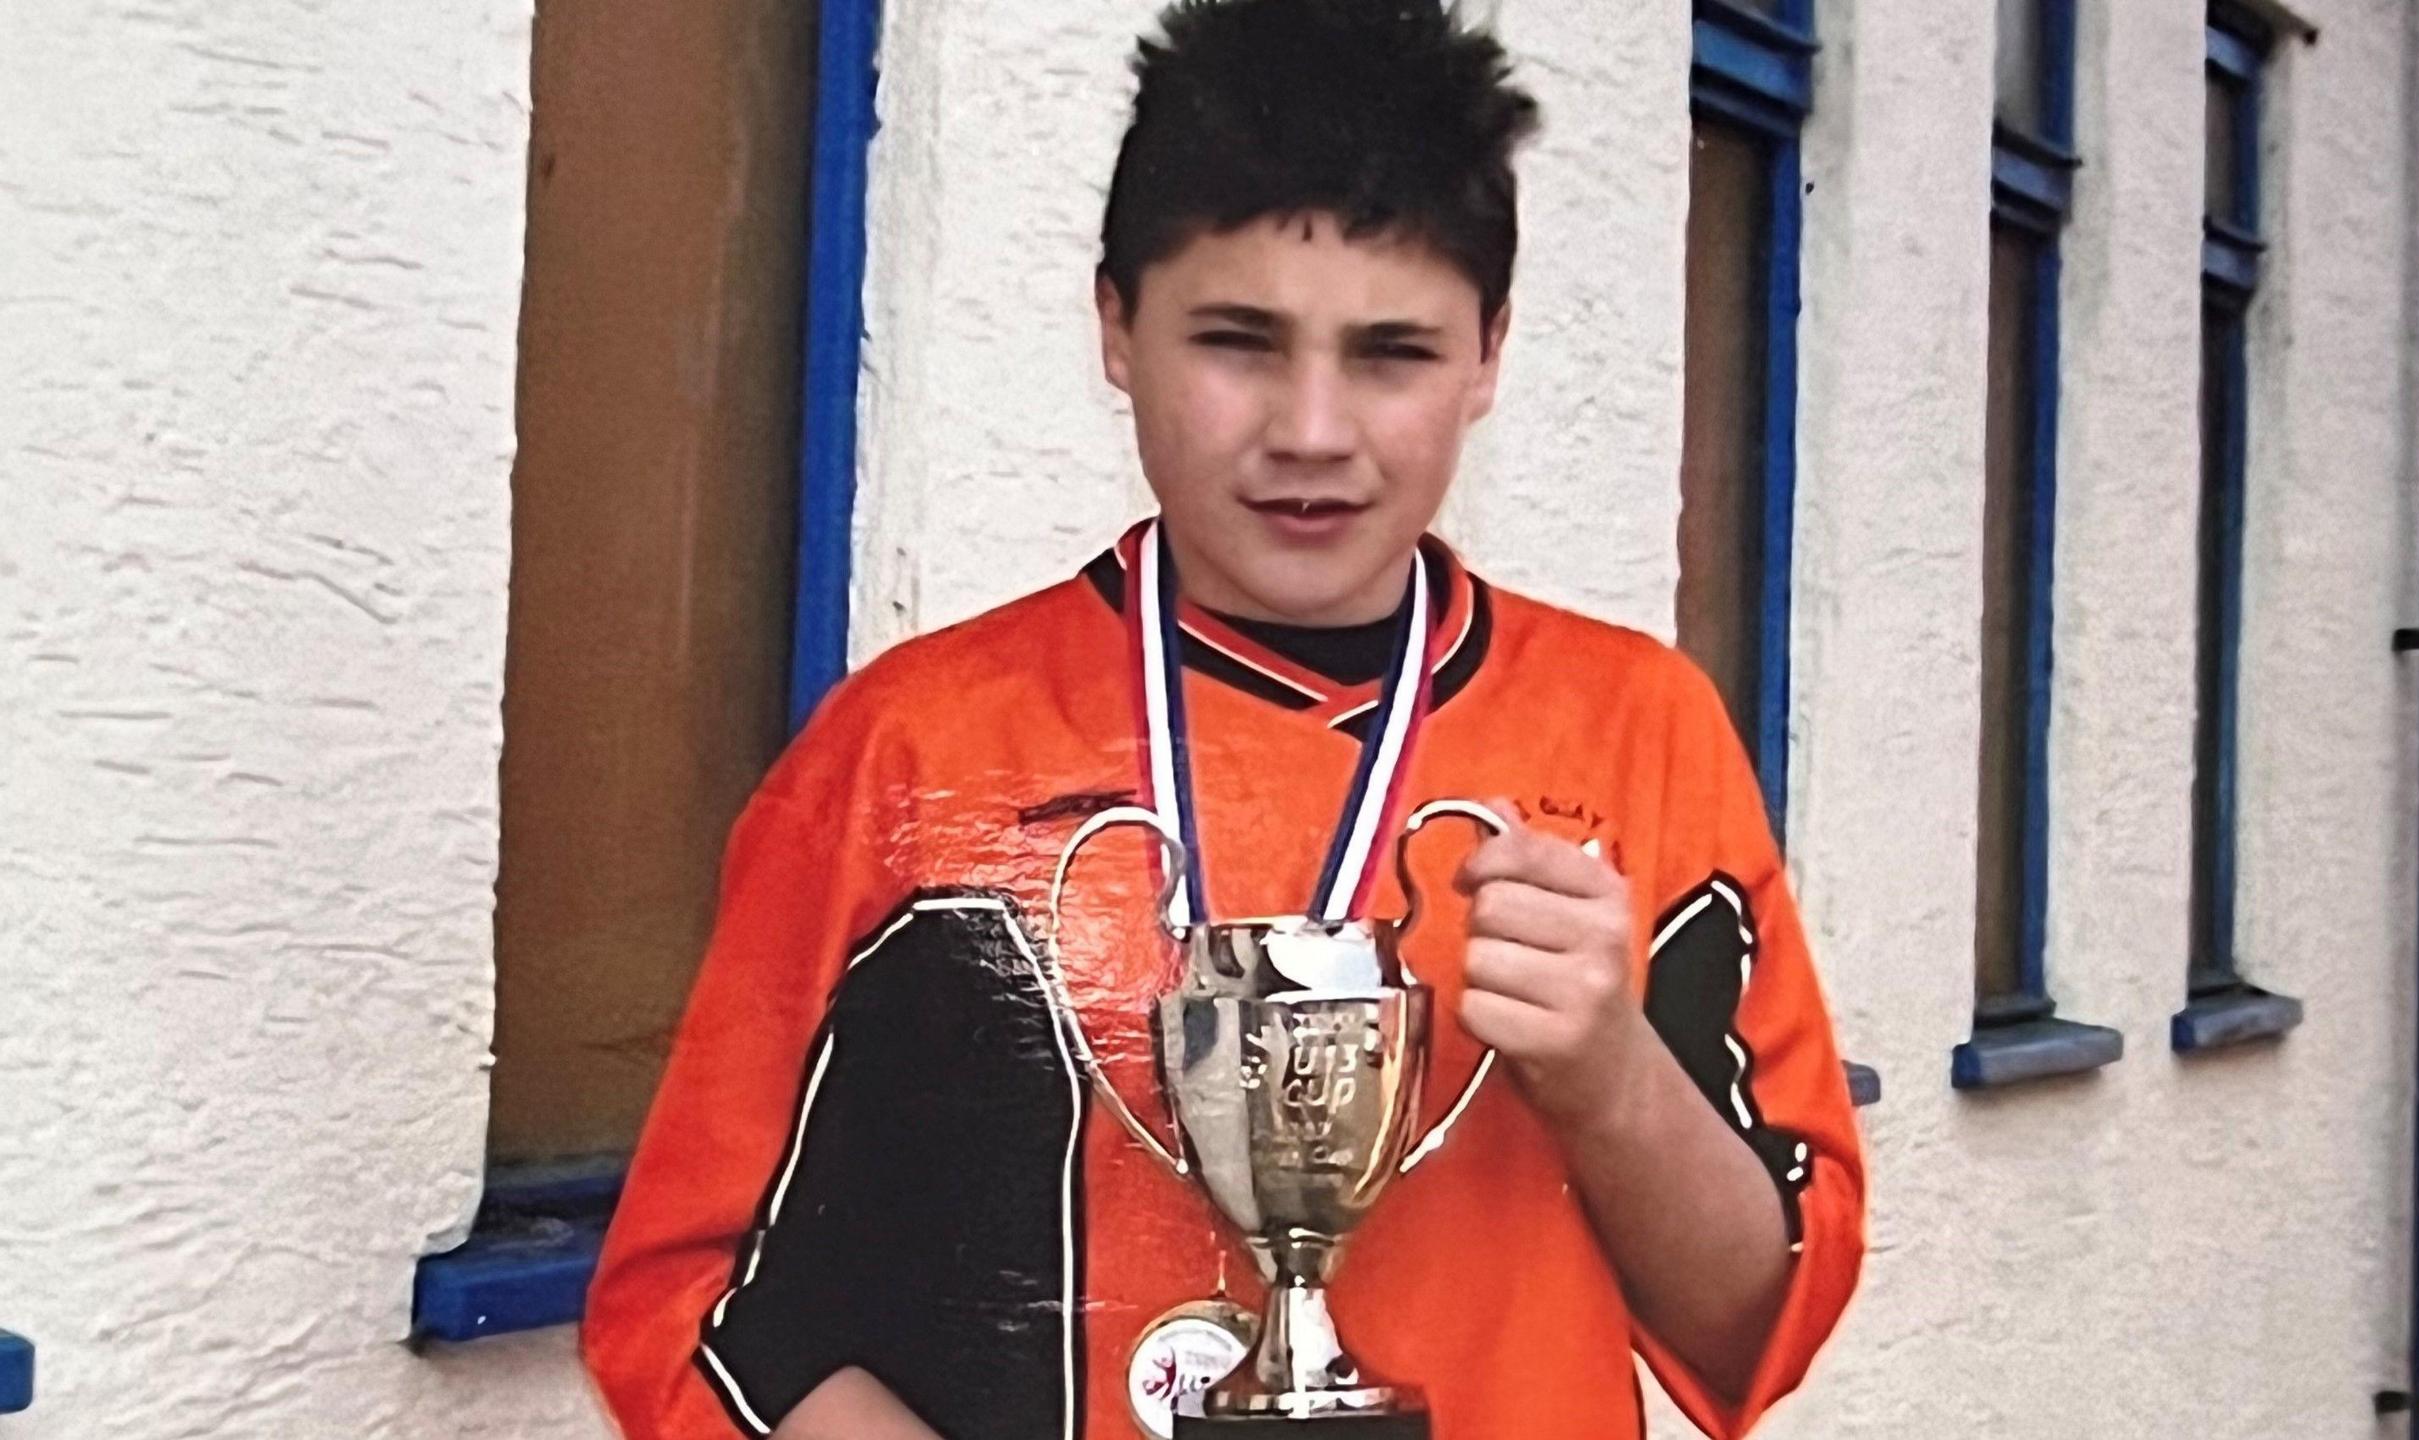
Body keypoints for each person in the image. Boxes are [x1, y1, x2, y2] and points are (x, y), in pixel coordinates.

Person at [581, 2, 1865, 1437]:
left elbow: (1764, 1324)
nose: (1312, 429)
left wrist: (1610, 1070)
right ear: (1117, 327)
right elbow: (691, 1302)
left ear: (1490, 356)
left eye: (1393, 353)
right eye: (1239, 340)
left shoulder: (1638, 737)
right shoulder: (912, 758)